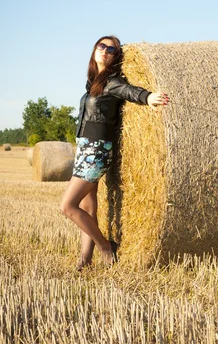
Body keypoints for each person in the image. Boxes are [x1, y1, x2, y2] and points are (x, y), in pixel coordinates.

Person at [60, 36, 169, 269]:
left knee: (67, 206)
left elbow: (128, 90)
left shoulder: (111, 81)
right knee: (89, 206)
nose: (105, 51)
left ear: (115, 56)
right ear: (94, 50)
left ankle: (105, 246)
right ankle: (85, 260)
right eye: (102, 46)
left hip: (97, 150)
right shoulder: (93, 83)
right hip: (85, 149)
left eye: (111, 49)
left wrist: (147, 97)